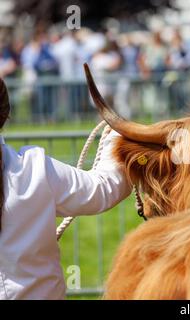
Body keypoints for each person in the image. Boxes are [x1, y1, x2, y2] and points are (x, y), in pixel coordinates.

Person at [0, 78, 131, 299]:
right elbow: (102, 190)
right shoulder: (34, 169)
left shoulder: (34, 169)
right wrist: (117, 135)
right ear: (5, 113)